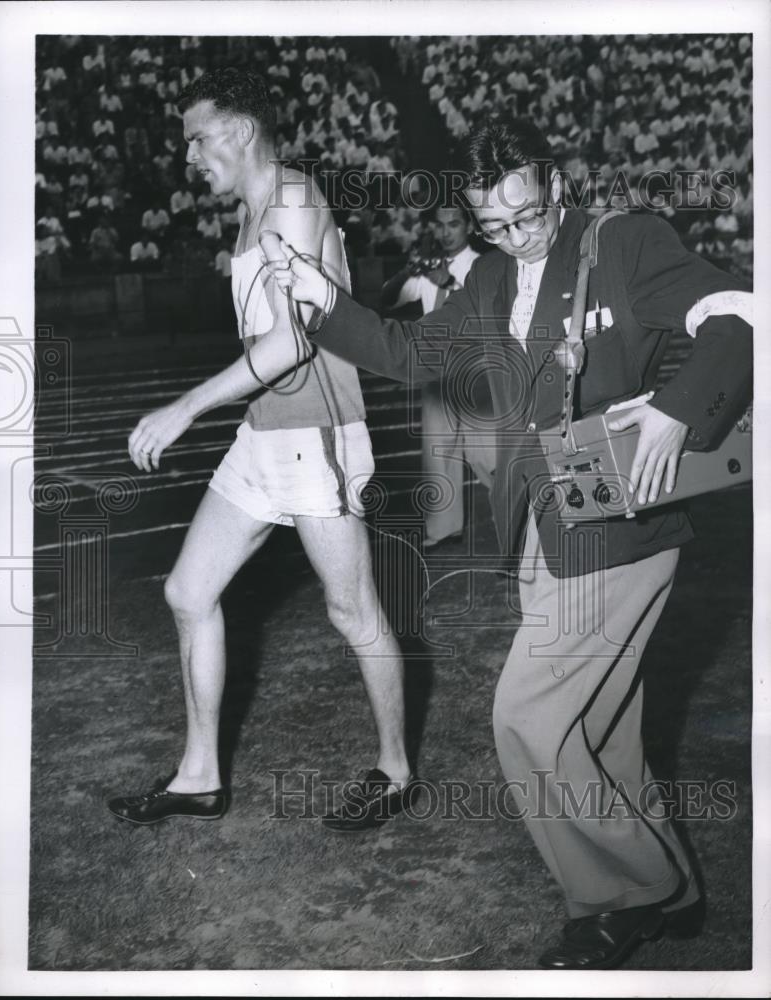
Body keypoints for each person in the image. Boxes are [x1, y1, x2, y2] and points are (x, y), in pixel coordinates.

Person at [263, 117, 753, 969]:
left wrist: (678, 408)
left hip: (619, 526)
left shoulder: (626, 241)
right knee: (600, 730)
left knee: (525, 720)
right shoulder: (490, 274)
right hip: (543, 526)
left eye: (526, 217)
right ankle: (674, 887)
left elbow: (738, 313)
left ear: (555, 188)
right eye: (493, 224)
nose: (515, 238)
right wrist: (323, 303)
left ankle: (626, 897)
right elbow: (414, 351)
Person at [107, 69, 415, 833]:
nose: (189, 157)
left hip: (317, 435)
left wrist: (184, 407)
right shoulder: (249, 216)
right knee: (187, 593)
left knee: (352, 612)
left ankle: (395, 770)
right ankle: (199, 777)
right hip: (265, 435)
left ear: (241, 132)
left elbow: (289, 342)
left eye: (198, 139)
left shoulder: (294, 201)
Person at [380, 204, 494, 549]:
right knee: (438, 452)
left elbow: (488, 311)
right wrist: (408, 271)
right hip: (435, 368)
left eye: (454, 224)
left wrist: (451, 283)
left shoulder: (484, 264)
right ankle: (444, 527)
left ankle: (523, 516)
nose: (446, 233)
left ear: (469, 227)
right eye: (440, 226)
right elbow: (387, 299)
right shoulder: (428, 268)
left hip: (474, 369)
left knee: (488, 453)